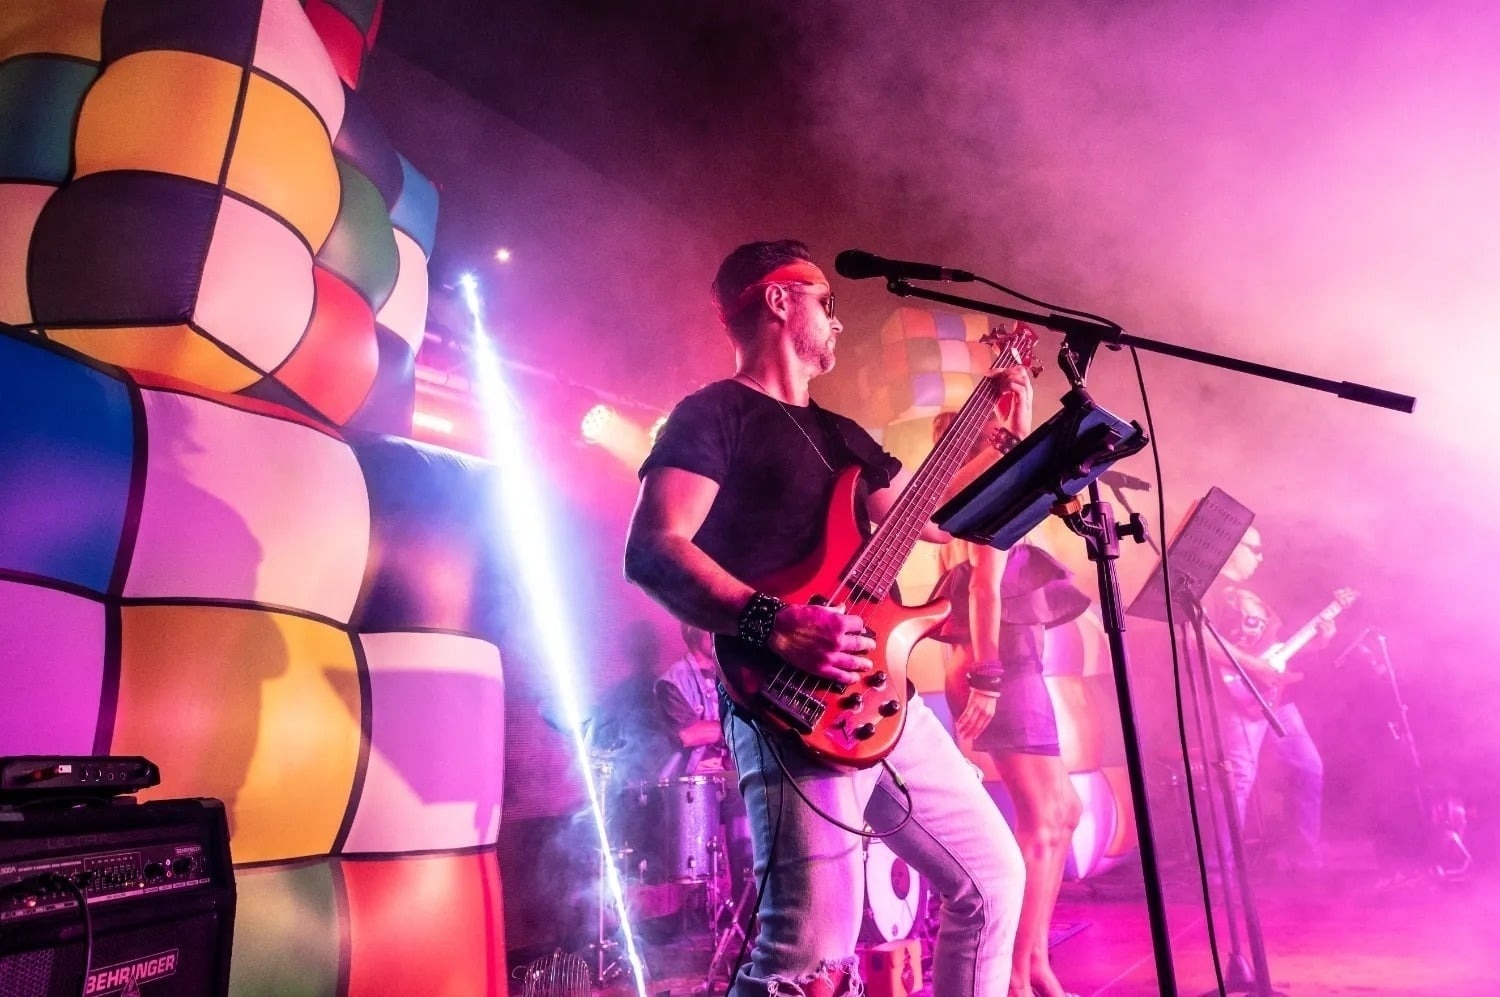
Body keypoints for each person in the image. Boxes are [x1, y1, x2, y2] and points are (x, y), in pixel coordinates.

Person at [624, 240, 1026, 997]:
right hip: (790, 704)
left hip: (882, 694)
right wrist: (772, 621)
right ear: (778, 299)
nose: (839, 323)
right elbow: (652, 548)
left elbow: (938, 518)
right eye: (827, 301)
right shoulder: (714, 413)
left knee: (995, 878)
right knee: (807, 955)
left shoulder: (846, 436)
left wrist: (1004, 426)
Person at [929, 407, 1091, 997]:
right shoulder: (977, 494)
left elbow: (1033, 454)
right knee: (1044, 819)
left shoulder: (1002, 486)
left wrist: (1019, 397)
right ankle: (1016, 977)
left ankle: (1036, 963)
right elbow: (985, 587)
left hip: (1018, 666)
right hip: (1000, 669)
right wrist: (989, 677)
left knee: (1063, 812)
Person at [1205, 524, 1331, 873]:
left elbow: (1277, 655)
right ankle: (1219, 871)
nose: (1261, 557)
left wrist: (1317, 643)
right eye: (1254, 549)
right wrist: (1253, 667)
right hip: (1236, 699)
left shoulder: (1255, 595)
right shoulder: (1207, 590)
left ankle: (1302, 860)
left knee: (1309, 768)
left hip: (1275, 698)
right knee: (1238, 780)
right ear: (1232, 547)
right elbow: (1198, 639)